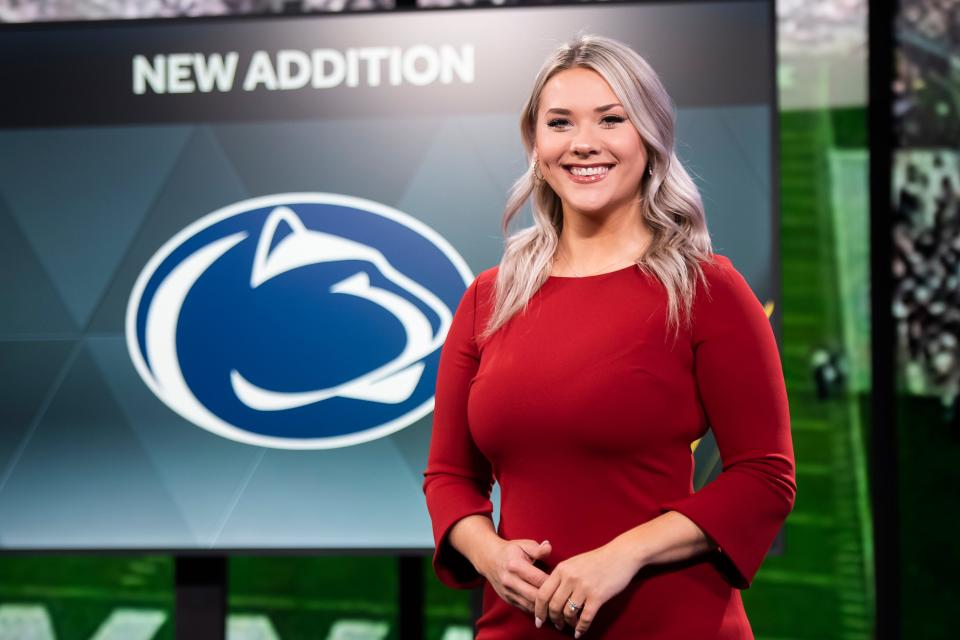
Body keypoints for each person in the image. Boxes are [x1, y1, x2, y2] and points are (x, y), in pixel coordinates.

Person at [422, 33, 796, 639]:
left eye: (611, 119)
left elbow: (765, 476)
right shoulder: (487, 300)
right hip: (519, 626)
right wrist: (491, 556)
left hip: (674, 624)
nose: (584, 143)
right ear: (536, 144)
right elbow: (449, 478)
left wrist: (623, 556)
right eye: (560, 122)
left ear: (649, 139)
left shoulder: (707, 290)